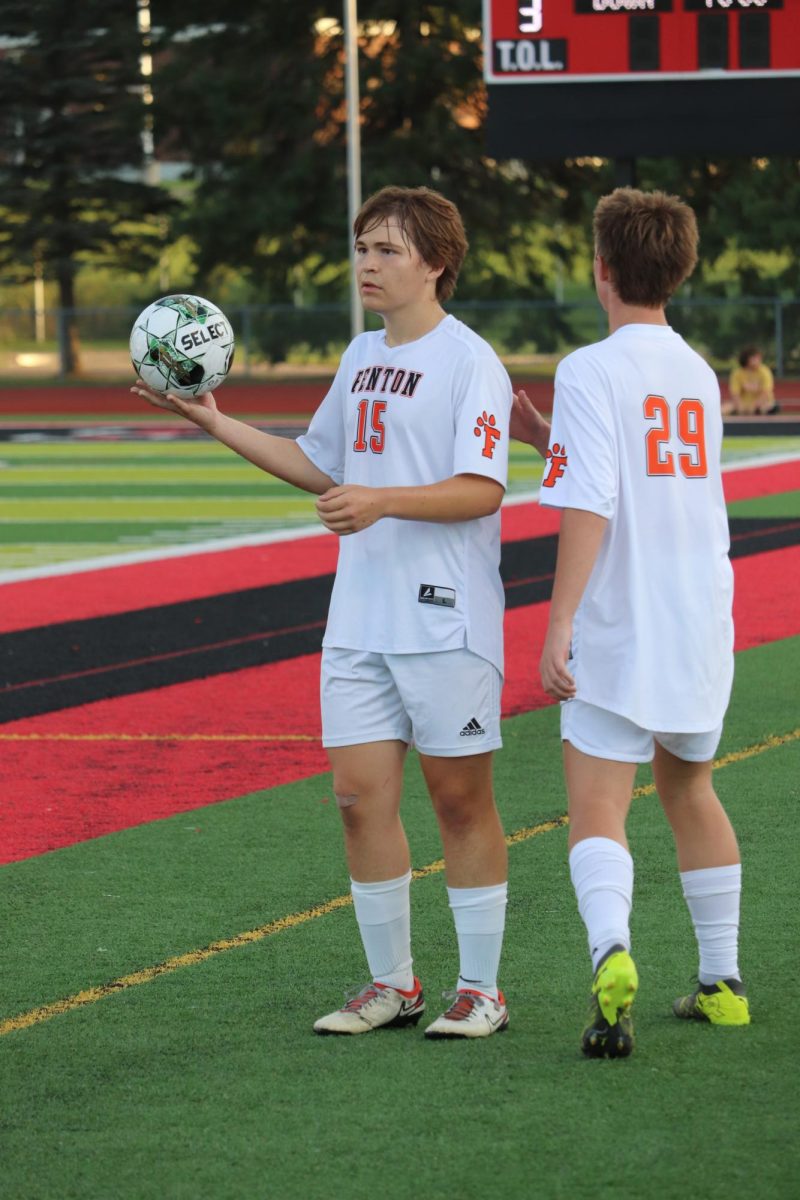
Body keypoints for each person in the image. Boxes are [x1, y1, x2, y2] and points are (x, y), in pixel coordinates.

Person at [132, 186, 513, 1039]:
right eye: (363, 247)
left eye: (386, 250)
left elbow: (482, 487)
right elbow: (315, 461)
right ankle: (394, 986)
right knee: (355, 798)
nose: (367, 263)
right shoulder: (358, 355)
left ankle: (481, 989)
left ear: (435, 263)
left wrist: (381, 501)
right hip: (359, 620)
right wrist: (211, 419)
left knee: (459, 800)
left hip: (445, 619)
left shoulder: (469, 361)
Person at [511, 187, 749, 1058]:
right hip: (699, 615)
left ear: (602, 269)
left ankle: (613, 954)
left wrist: (557, 619)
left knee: (597, 809)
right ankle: (722, 981)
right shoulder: (697, 370)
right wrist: (551, 438)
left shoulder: (589, 368)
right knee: (691, 789)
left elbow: (595, 501)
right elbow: (649, 479)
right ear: (677, 271)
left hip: (622, 617)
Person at [727, 346, 778, 415]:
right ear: (747, 359)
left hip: (762, 404)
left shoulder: (765, 371)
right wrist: (740, 406)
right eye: (755, 358)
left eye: (759, 358)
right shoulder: (737, 374)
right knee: (724, 409)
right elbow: (735, 394)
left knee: (770, 406)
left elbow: (765, 392)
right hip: (743, 404)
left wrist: (754, 406)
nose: (758, 360)